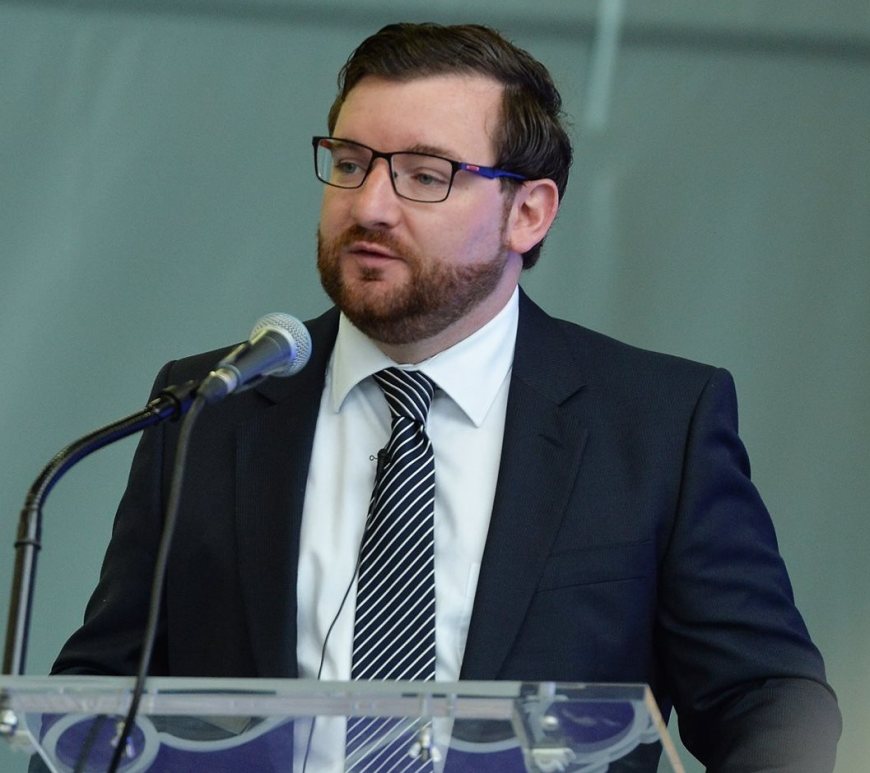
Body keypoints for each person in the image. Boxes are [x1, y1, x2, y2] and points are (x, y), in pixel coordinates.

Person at [50, 22, 840, 771]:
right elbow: (102, 690)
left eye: (425, 175)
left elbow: (765, 693)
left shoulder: (656, 423)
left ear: (528, 212)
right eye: (350, 163)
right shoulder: (214, 405)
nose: (369, 206)